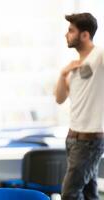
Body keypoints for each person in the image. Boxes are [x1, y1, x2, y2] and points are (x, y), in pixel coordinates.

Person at [55, 13, 104, 200]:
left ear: (85, 35)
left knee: (69, 193)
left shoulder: (99, 55)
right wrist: (62, 74)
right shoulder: (72, 67)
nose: (66, 35)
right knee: (89, 193)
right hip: (73, 139)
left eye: (71, 30)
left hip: (90, 140)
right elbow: (59, 98)